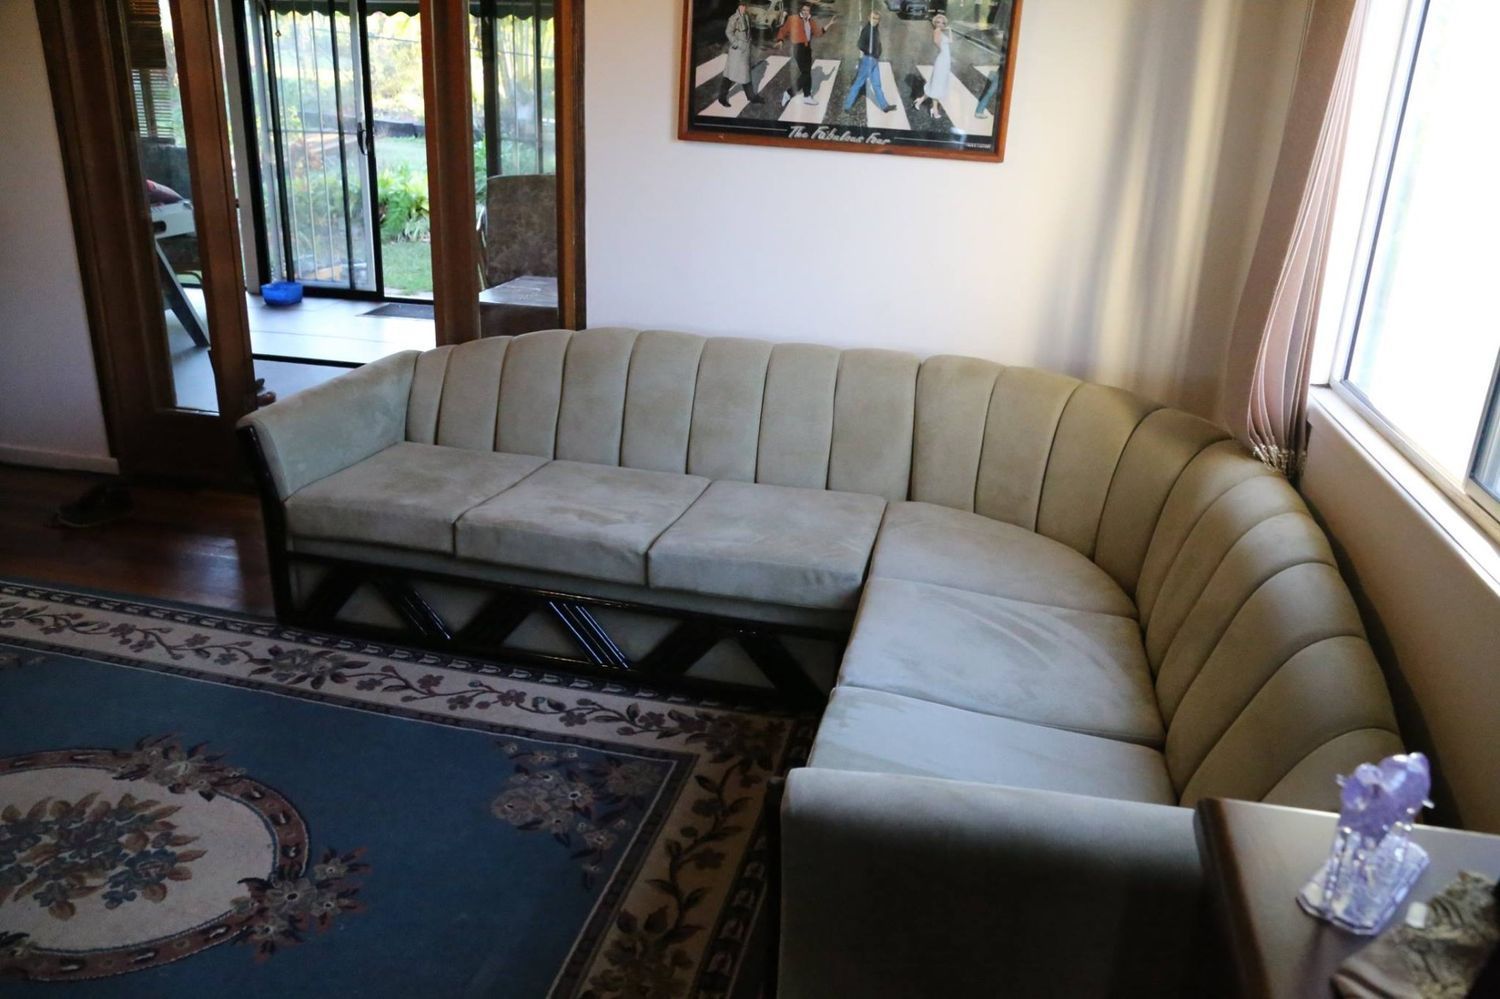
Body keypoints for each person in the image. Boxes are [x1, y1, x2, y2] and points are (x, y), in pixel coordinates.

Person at [776, 3, 837, 107]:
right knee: (806, 73)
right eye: (804, 10)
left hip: (807, 49)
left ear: (809, 12)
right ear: (801, 10)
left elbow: (818, 33)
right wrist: (780, 40)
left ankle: (807, 96)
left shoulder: (811, 21)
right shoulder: (792, 19)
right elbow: (783, 30)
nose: (805, 12)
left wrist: (829, 24)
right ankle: (789, 93)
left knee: (807, 73)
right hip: (798, 48)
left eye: (807, 10)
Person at [913, 13, 962, 133]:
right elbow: (936, 42)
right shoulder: (937, 31)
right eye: (938, 22)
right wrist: (941, 50)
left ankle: (919, 101)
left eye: (943, 23)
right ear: (935, 23)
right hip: (942, 60)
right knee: (937, 85)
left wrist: (949, 29)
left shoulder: (942, 31)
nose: (940, 24)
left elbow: (950, 41)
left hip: (945, 60)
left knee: (936, 84)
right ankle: (934, 110)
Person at [843, 9, 895, 114]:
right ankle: (847, 107)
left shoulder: (875, 28)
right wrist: (870, 51)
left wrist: (878, 51)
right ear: (868, 18)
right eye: (873, 18)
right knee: (858, 83)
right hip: (868, 60)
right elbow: (860, 44)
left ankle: (884, 106)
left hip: (875, 60)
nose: (875, 20)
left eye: (877, 19)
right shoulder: (867, 30)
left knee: (877, 84)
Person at [718, 2, 765, 107]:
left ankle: (751, 97)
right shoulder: (734, 18)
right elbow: (728, 32)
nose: (743, 8)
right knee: (730, 75)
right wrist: (737, 43)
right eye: (741, 6)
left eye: (745, 6)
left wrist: (749, 43)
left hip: (745, 52)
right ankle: (722, 97)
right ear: (738, 7)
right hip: (737, 52)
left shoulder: (746, 17)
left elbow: (748, 33)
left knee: (745, 75)